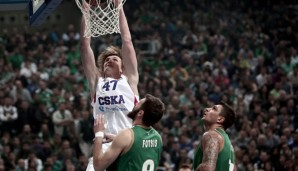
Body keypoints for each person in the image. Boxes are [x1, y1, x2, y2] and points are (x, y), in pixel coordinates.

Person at [80, 1, 139, 170]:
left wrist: (119, 8)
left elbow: (127, 41)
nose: (109, 60)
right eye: (106, 60)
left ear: (123, 67)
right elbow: (85, 47)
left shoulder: (129, 80)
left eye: (114, 59)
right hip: (104, 145)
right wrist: (86, 13)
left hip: (127, 144)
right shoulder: (97, 82)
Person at [92, 94, 165, 171]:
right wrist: (116, 138)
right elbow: (139, 146)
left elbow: (98, 166)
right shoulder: (158, 138)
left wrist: (99, 134)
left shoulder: (126, 135)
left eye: (138, 103)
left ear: (140, 113)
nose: (135, 104)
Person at [192, 101, 236, 171]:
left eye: (214, 109)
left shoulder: (212, 135)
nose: (207, 109)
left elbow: (207, 169)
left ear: (220, 119)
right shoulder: (228, 144)